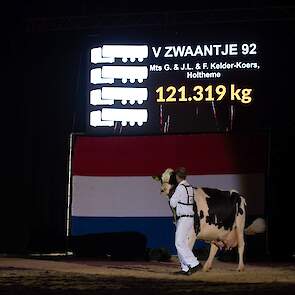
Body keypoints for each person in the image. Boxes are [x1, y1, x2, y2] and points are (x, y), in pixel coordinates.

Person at [169, 167, 202, 275]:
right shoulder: (190, 187)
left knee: (179, 243)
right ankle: (185, 268)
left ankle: (194, 263)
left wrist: (171, 196)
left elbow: (172, 203)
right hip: (190, 219)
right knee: (183, 244)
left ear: (177, 177)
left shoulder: (180, 188)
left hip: (183, 219)